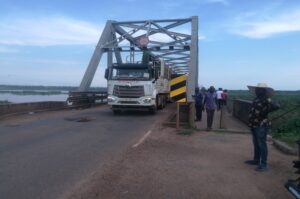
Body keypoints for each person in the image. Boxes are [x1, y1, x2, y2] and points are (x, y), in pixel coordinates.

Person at [245, 83, 280, 172]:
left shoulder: (266, 99)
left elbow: (276, 106)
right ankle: (256, 160)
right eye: (256, 89)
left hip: (261, 125)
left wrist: (266, 110)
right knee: (256, 143)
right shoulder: (257, 98)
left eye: (259, 89)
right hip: (253, 124)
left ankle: (264, 164)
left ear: (263, 91)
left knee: (262, 144)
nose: (257, 91)